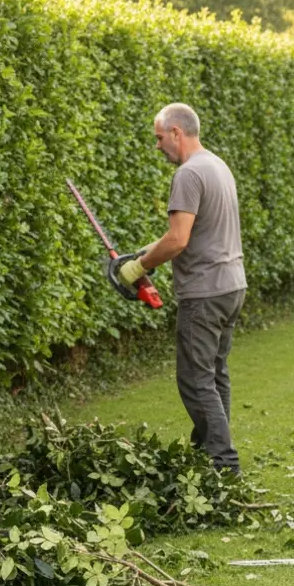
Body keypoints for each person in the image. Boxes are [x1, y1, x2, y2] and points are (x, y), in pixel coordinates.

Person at [117, 103, 247, 474]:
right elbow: (194, 233)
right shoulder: (216, 165)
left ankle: (222, 464)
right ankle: (208, 451)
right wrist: (144, 253)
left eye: (160, 138)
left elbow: (178, 240)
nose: (158, 146)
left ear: (177, 132)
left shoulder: (188, 175)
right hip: (231, 286)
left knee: (195, 379)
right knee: (215, 374)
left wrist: (138, 268)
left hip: (204, 293)